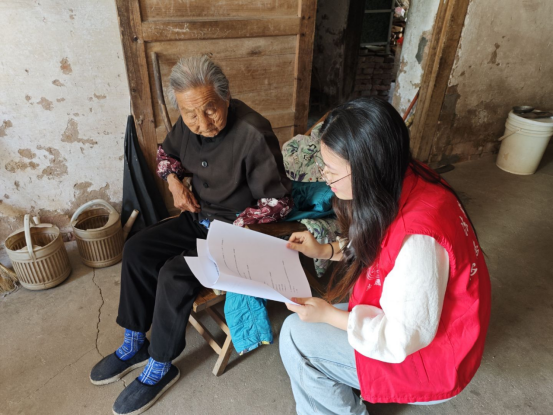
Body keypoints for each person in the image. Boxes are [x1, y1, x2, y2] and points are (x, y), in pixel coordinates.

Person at [90, 56, 292, 415]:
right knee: (136, 248)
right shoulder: (189, 125)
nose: (202, 123)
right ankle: (135, 342)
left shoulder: (253, 133)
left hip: (237, 232)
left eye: (210, 110)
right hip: (199, 218)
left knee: (174, 274)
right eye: (190, 114)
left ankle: (161, 364)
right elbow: (166, 154)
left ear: (226, 97)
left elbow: (279, 203)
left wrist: (235, 228)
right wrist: (173, 182)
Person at [280, 97, 491, 414]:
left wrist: (328, 315)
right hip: (436, 328)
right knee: (300, 331)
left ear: (368, 170)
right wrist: (324, 250)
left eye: (332, 171)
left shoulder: (417, 240)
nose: (325, 177)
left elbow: (399, 338)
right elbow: (379, 242)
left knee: (295, 338)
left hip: (431, 358)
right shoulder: (405, 175)